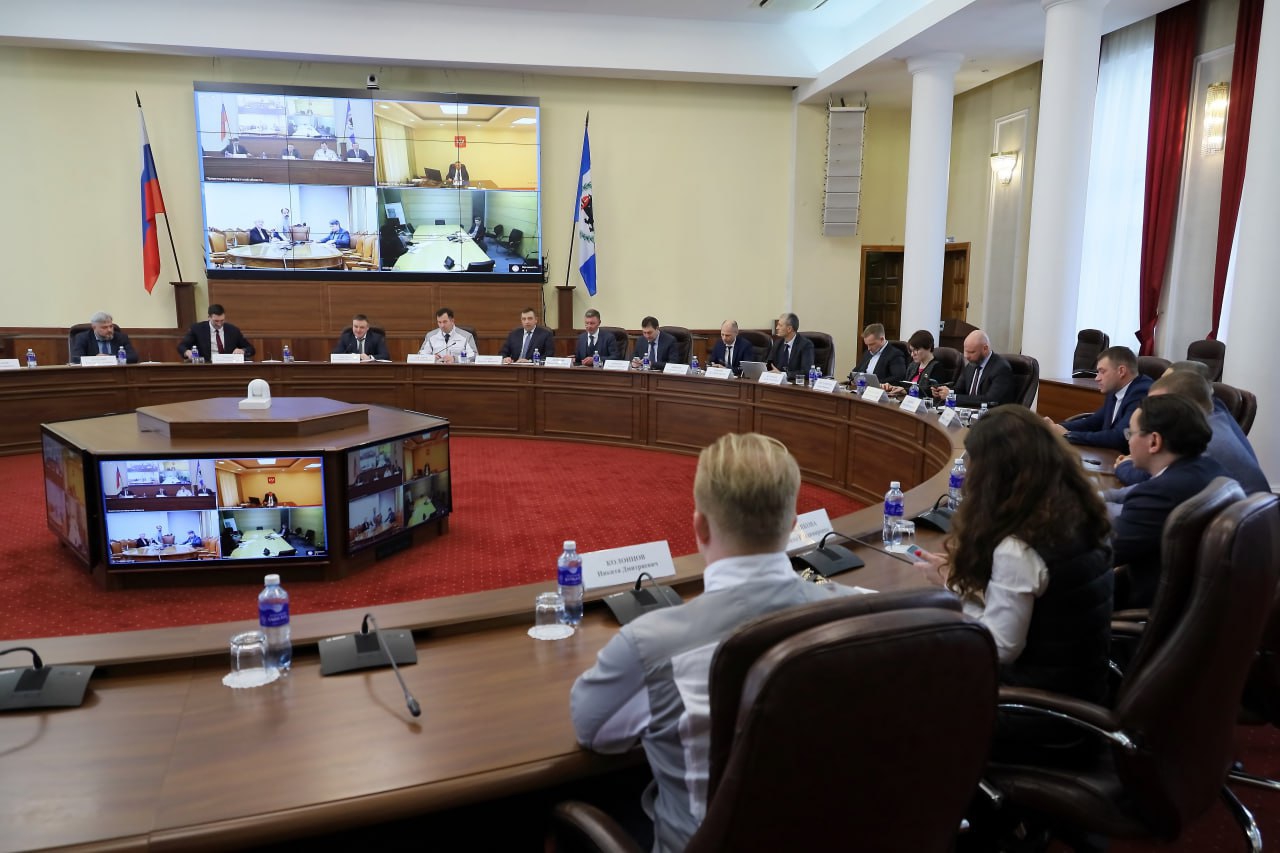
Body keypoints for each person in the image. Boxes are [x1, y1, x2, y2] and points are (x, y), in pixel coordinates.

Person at [571, 433, 858, 851]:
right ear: (794, 524)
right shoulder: (857, 614)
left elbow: (593, 733)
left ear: (700, 527)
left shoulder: (649, 645)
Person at [911, 406, 1113, 759]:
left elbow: (1001, 647)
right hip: (1082, 691)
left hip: (1038, 715)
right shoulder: (1076, 512)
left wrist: (951, 591)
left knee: (906, 679)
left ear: (994, 475)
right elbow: (1042, 606)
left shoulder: (1019, 548)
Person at [1111, 394, 1226, 610]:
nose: (1128, 441)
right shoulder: (1210, 468)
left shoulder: (1160, 494)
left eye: (1131, 433)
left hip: (1147, 606)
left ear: (1154, 441)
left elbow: (1101, 554)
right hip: (1193, 601)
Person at [1106, 369, 1269, 496]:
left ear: (1182, 404)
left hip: (1238, 523)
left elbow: (1155, 484)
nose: (1152, 409)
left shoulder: (1202, 438)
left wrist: (1124, 466)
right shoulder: (1213, 416)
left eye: (1160, 402)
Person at [1046, 346, 1151, 451]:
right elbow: (1094, 422)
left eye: (1102, 371)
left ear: (1121, 371)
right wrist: (1055, 427)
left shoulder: (1141, 392)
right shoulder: (1115, 389)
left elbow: (1120, 437)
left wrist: (1068, 435)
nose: (1097, 378)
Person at [932, 329, 1016, 408]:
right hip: (967, 411)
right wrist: (943, 392)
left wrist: (953, 397)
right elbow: (959, 389)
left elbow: (990, 400)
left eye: (971, 352)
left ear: (985, 348)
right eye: (965, 351)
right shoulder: (971, 365)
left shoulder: (1001, 368)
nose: (966, 356)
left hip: (991, 414)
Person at [178, 303, 255, 361]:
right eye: (216, 321)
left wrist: (242, 350)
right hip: (206, 366)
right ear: (209, 317)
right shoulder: (197, 329)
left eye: (222, 320)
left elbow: (251, 349)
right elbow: (182, 346)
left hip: (228, 366)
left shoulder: (233, 330)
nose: (219, 324)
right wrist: (187, 352)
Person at [885, 329, 945, 398]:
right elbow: (904, 385)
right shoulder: (912, 365)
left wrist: (906, 390)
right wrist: (892, 387)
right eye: (911, 351)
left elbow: (931, 393)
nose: (912, 354)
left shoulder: (937, 368)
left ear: (928, 347)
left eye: (916, 350)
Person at [70, 311, 139, 364]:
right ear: (94, 327)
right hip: (93, 373)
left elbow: (133, 357)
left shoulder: (121, 337)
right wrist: (96, 359)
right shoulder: (83, 337)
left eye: (111, 326)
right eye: (104, 327)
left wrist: (109, 358)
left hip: (117, 373)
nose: (109, 330)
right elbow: (76, 359)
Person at [766, 312, 814, 380]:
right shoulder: (777, 344)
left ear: (789, 329)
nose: (777, 328)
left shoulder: (806, 345)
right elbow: (768, 364)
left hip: (796, 383)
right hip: (777, 382)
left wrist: (783, 374)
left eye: (780, 325)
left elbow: (806, 372)